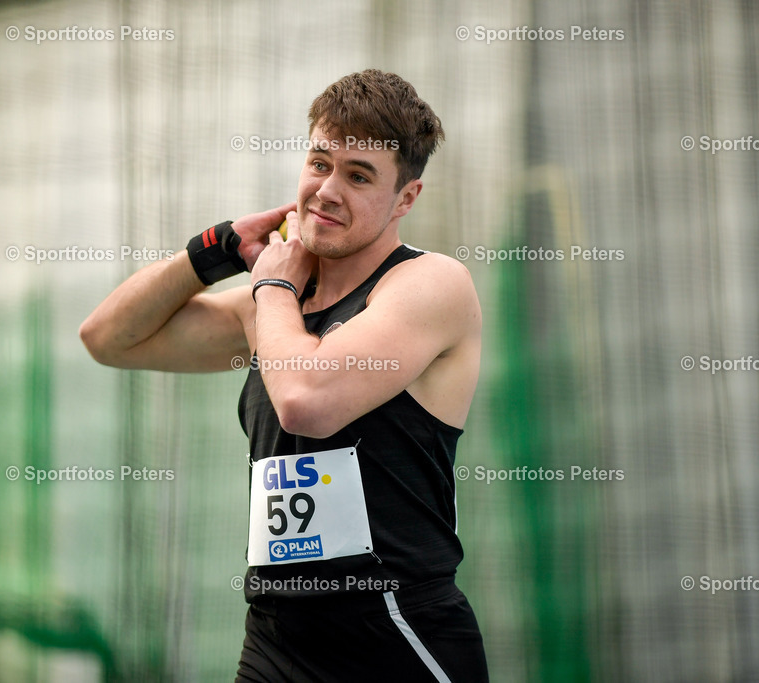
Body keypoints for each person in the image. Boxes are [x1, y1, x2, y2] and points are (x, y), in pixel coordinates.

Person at [80, 69, 487, 682]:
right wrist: (212, 251)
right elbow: (108, 338)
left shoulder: (431, 284)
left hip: (395, 631)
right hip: (276, 636)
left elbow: (305, 401)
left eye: (358, 175)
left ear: (405, 199)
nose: (326, 190)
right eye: (320, 162)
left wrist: (269, 285)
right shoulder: (275, 308)